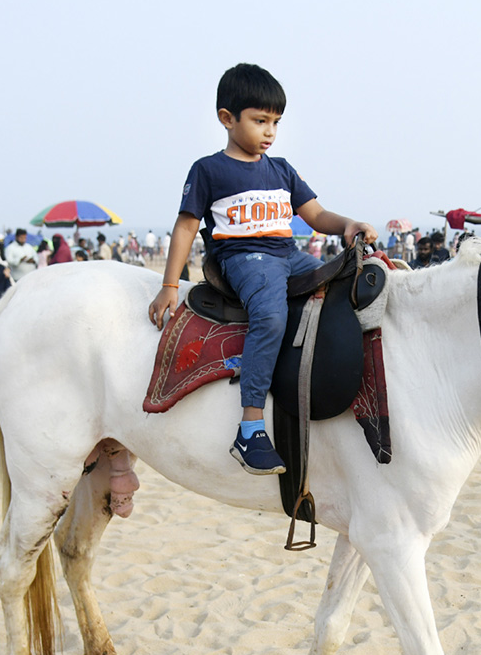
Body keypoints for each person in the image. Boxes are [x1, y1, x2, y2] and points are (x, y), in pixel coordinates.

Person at [147, 62, 377, 475]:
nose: (269, 131)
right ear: (227, 119)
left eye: (275, 122)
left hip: (287, 253)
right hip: (242, 258)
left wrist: (346, 225)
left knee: (345, 286)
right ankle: (250, 425)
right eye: (259, 121)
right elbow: (186, 225)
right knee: (270, 317)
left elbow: (315, 214)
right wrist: (169, 284)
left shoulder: (282, 169)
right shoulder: (209, 170)